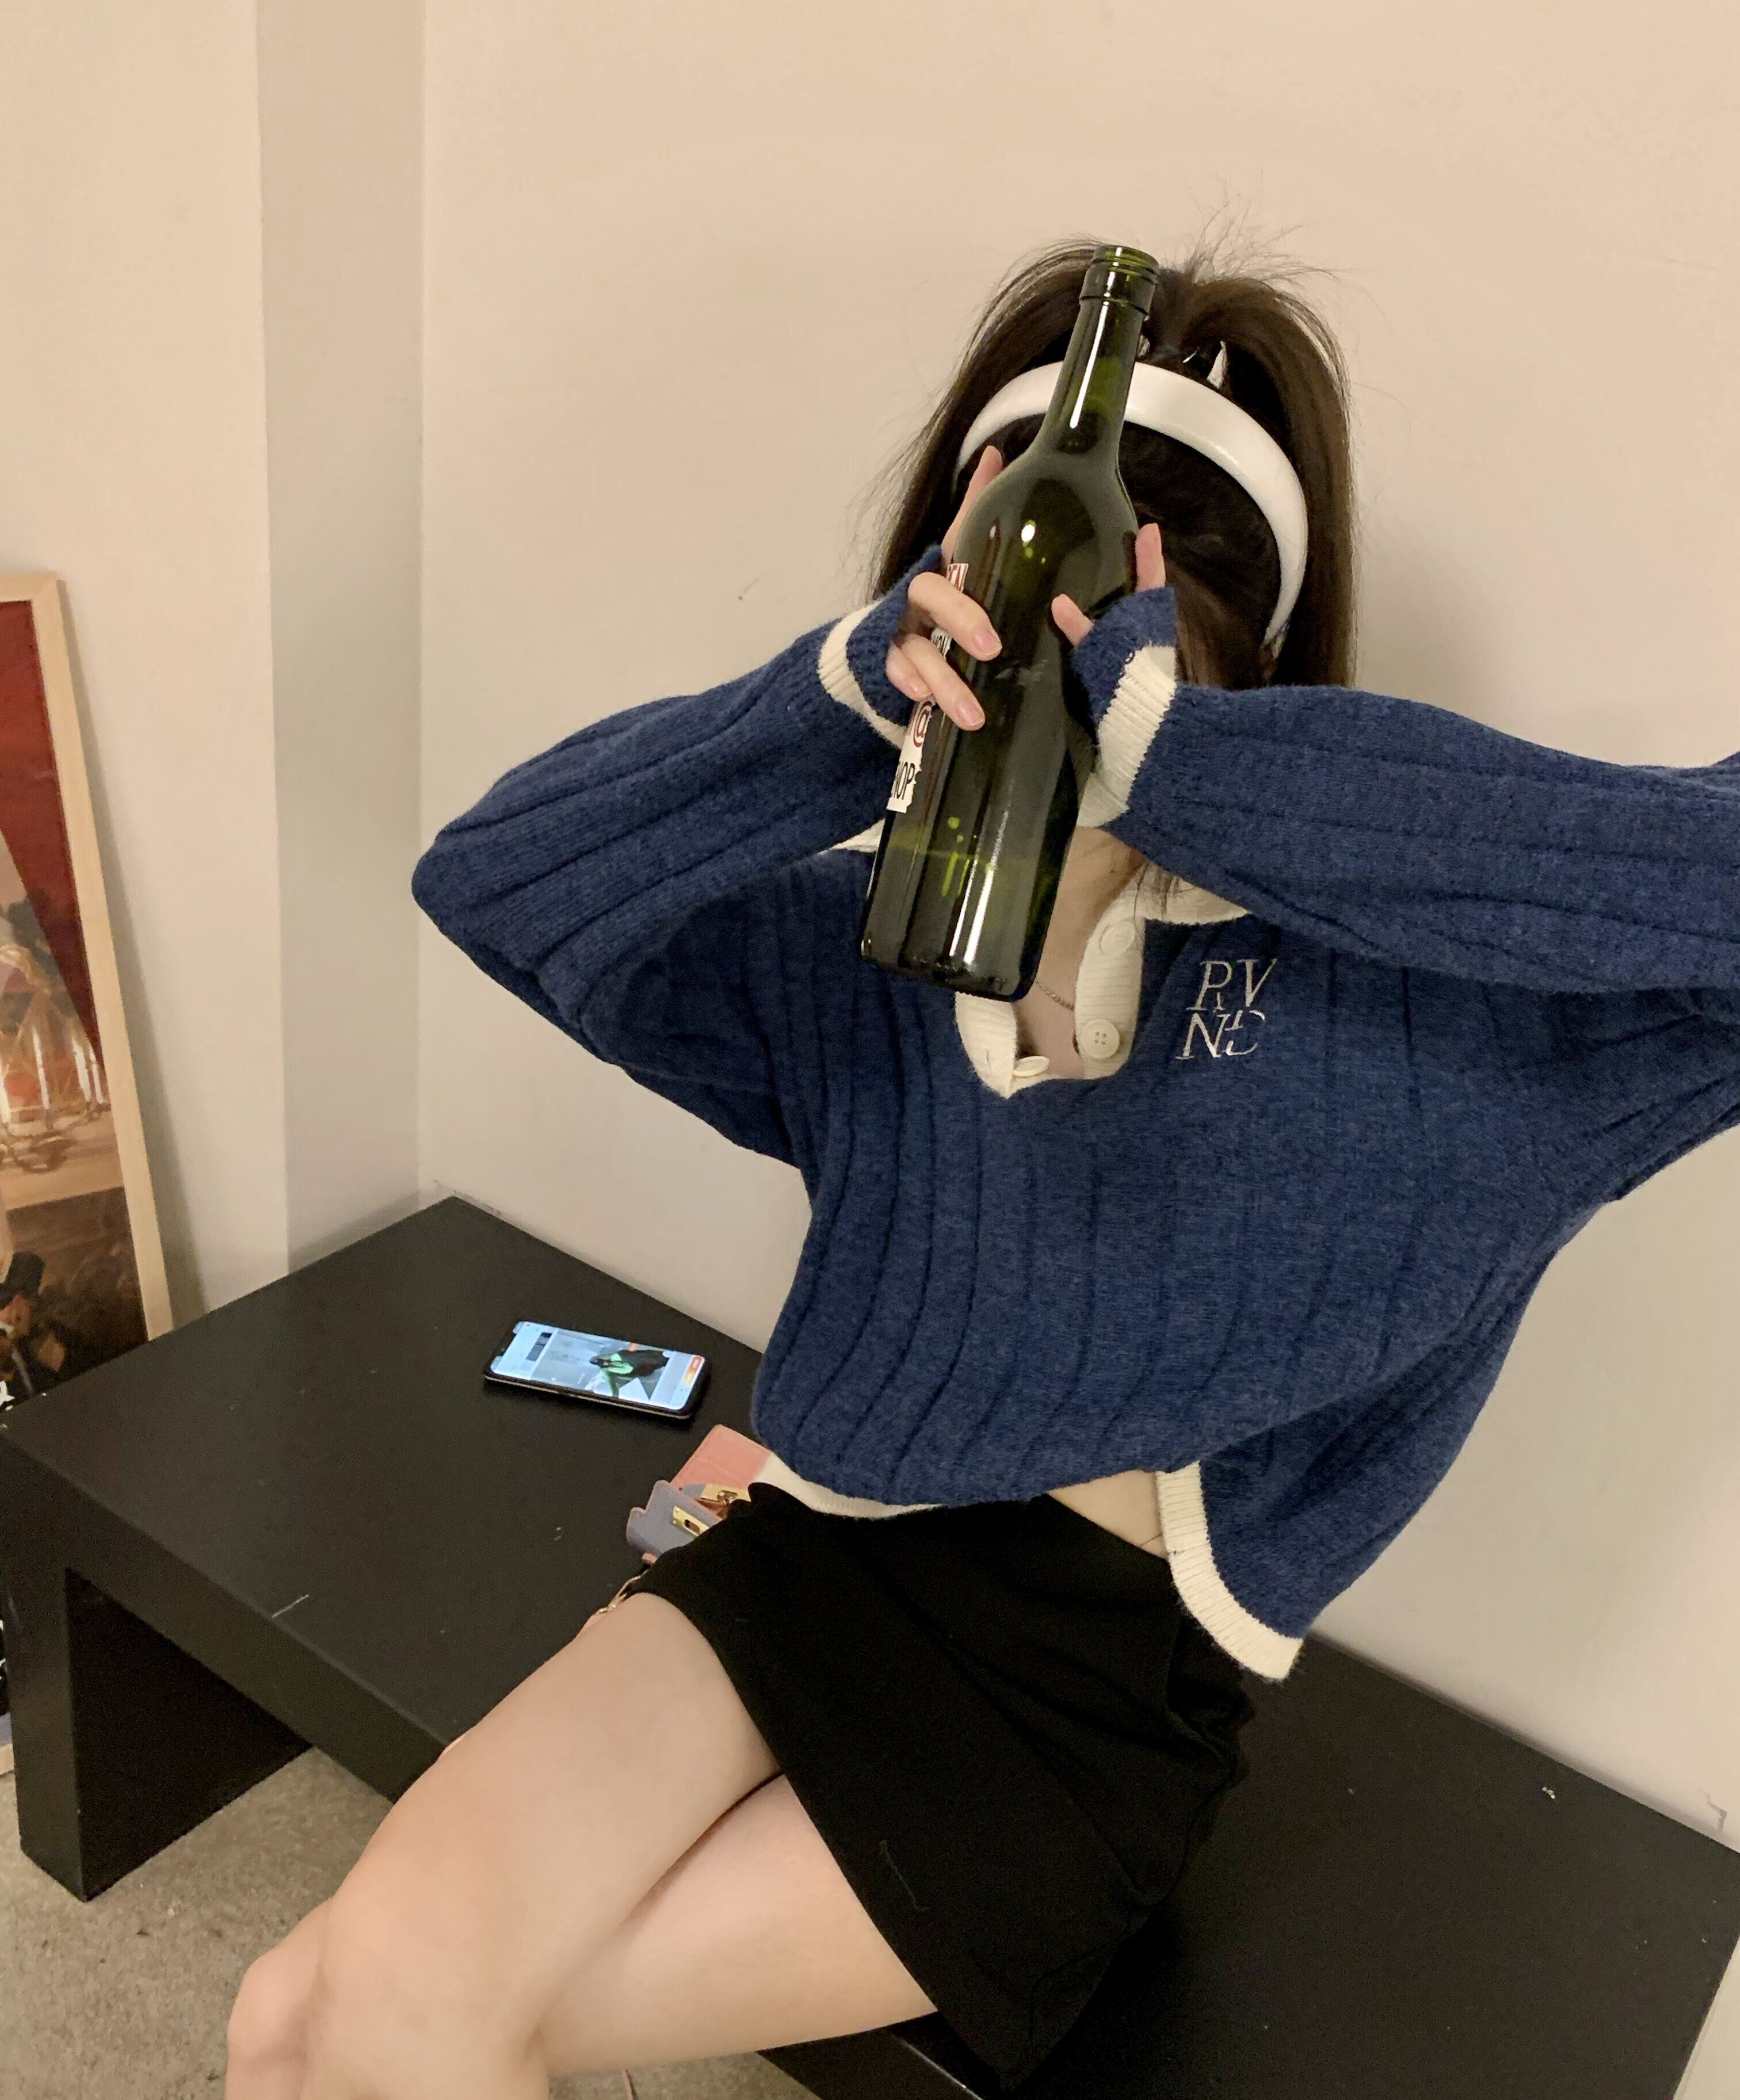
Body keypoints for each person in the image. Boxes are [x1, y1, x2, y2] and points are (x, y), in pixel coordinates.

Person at [224, 236, 1740, 2100]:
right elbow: (495, 881)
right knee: (295, 2009)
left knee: (370, 2016)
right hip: (819, 1539)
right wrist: (824, 705)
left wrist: (1210, 776)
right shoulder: (863, 959)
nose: (1028, 738)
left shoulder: (1432, 1034)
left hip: (1088, 1697)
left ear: (1216, 679)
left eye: (1088, 698)